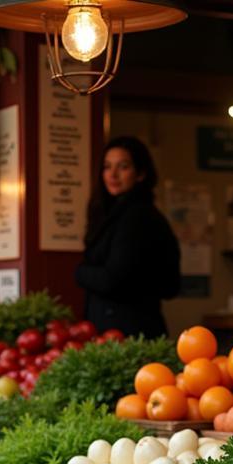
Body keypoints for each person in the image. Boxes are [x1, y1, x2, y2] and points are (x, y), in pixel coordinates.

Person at [76, 136, 181, 338]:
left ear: (140, 173)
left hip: (128, 333)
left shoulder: (137, 217)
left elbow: (112, 279)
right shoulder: (118, 213)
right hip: (122, 329)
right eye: (107, 167)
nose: (113, 175)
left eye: (123, 167)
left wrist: (79, 272)